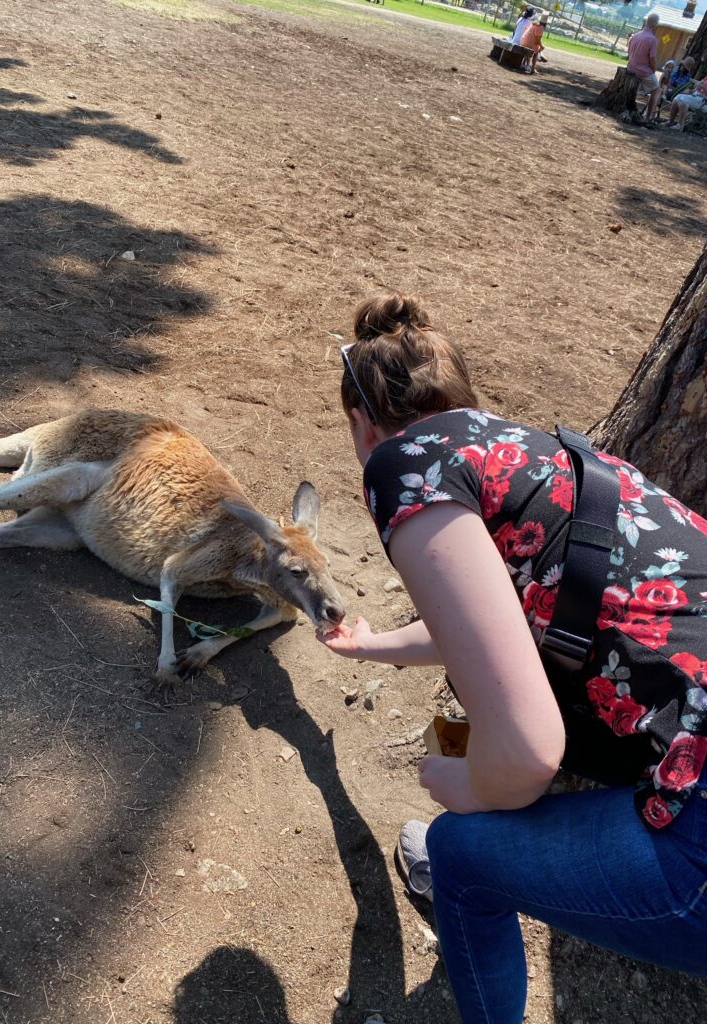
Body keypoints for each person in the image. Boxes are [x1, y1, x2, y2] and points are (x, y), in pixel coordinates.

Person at [321, 290, 707, 1024]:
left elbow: (528, 752)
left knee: (460, 854)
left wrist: (467, 783)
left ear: (363, 423)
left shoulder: (402, 465)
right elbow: (491, 627)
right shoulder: (543, 458)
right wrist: (372, 646)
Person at [626, 13, 662, 122]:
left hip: (630, 67)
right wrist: (653, 70)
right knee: (656, 90)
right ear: (655, 23)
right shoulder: (652, 39)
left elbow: (628, 51)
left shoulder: (635, 36)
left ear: (646, 22)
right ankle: (648, 116)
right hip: (643, 71)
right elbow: (652, 59)